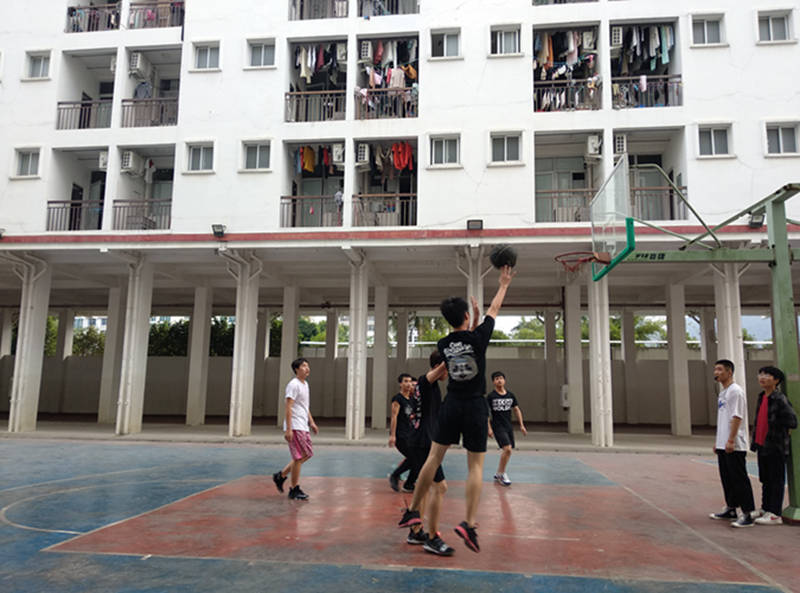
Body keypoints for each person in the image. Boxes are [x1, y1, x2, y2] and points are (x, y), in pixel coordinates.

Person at [399, 265, 515, 553]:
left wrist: (470, 320)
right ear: (466, 316)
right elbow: (494, 309)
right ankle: (469, 523)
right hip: (475, 405)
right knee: (475, 466)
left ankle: (413, 510)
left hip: (451, 404)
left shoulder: (444, 344)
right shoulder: (479, 338)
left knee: (434, 457)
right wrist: (503, 284)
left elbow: (463, 341)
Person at [405, 351, 454, 556]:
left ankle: (416, 531)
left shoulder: (431, 387)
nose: (448, 374)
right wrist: (455, 350)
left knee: (424, 488)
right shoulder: (425, 382)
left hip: (423, 442)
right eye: (446, 369)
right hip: (422, 443)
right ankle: (432, 538)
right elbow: (441, 368)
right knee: (440, 487)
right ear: (438, 367)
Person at [708, 359, 756, 527]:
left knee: (739, 478)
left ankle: (748, 513)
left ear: (729, 372)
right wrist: (719, 442)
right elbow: (723, 419)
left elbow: (737, 416)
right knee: (727, 478)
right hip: (723, 444)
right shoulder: (724, 392)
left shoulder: (735, 391)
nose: (716, 372)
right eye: (715, 369)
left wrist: (730, 440)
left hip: (734, 444)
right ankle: (731, 508)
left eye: (720, 369)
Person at [750, 366, 797, 525]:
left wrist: (775, 427)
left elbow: (792, 421)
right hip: (762, 445)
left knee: (776, 480)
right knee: (766, 479)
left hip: (775, 446)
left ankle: (775, 513)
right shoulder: (762, 396)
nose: (762, 377)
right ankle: (766, 508)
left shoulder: (779, 399)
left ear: (776, 380)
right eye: (761, 374)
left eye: (767, 375)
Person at [273, 358, 319, 500]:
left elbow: (305, 406)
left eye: (307, 365)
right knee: (299, 457)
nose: (307, 368)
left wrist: (311, 422)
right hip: (295, 425)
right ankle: (294, 489)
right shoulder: (293, 385)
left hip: (303, 425)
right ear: (296, 369)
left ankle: (281, 476)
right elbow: (288, 407)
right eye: (304, 366)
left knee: (307, 454)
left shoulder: (305, 384)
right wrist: (289, 429)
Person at [487, 371, 527, 486]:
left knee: (508, 451)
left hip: (508, 426)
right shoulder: (491, 397)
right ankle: (501, 473)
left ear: (504, 380)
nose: (499, 380)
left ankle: (498, 472)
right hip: (497, 427)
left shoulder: (510, 395)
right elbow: (486, 414)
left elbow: (516, 410)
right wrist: (489, 428)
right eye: (496, 379)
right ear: (493, 382)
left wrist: (521, 425)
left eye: (501, 378)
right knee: (507, 449)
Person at [389, 373, 416, 493]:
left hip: (411, 435)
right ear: (400, 384)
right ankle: (395, 475)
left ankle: (409, 483)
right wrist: (393, 435)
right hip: (401, 435)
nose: (408, 384)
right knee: (414, 458)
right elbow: (394, 417)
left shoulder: (412, 399)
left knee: (417, 459)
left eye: (410, 381)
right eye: (405, 381)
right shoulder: (397, 399)